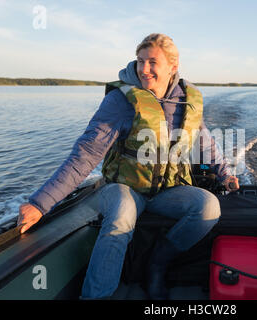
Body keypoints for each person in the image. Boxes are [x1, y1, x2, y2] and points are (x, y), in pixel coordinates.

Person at [17, 33, 239, 300]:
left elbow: (206, 143)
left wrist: (225, 174)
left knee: (208, 206)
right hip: (123, 189)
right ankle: (96, 296)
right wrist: (40, 203)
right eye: (140, 61)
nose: (144, 69)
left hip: (168, 191)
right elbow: (85, 155)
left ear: (173, 64)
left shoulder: (187, 101)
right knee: (123, 212)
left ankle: (158, 262)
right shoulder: (121, 101)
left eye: (152, 62)